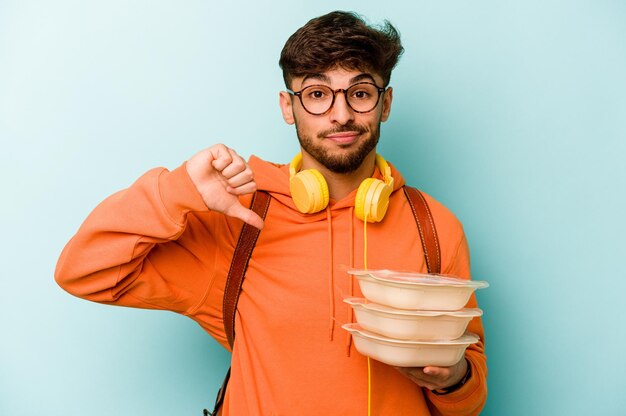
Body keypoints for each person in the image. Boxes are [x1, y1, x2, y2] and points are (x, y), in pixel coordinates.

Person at [55, 10, 487, 415]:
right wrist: (177, 190)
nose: (341, 115)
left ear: (385, 103)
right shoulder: (238, 222)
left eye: (360, 93)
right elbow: (83, 271)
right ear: (288, 106)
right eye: (317, 94)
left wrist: (454, 379)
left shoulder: (436, 228)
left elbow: (469, 397)